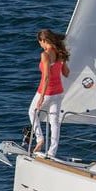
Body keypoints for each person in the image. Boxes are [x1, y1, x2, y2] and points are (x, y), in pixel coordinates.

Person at [29, 28, 70, 158]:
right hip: (59, 93)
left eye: (40, 42)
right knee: (54, 122)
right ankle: (52, 153)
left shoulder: (45, 55)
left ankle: (40, 139)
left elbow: (46, 77)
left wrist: (41, 97)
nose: (40, 45)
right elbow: (66, 73)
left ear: (44, 40)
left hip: (46, 91)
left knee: (32, 112)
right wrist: (63, 62)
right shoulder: (60, 53)